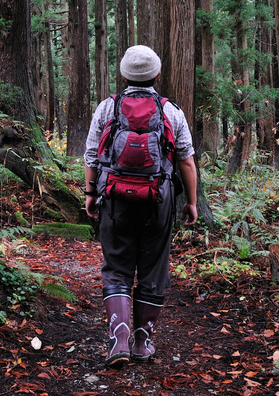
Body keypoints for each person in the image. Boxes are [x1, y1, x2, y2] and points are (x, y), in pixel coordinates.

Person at [84, 45, 198, 367]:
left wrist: (91, 194)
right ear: (157, 74)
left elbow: (91, 156)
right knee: (153, 269)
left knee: (117, 268)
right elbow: (186, 161)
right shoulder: (171, 111)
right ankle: (141, 343)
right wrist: (191, 202)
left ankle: (118, 339)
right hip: (158, 201)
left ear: (123, 75)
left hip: (115, 200)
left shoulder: (107, 108)